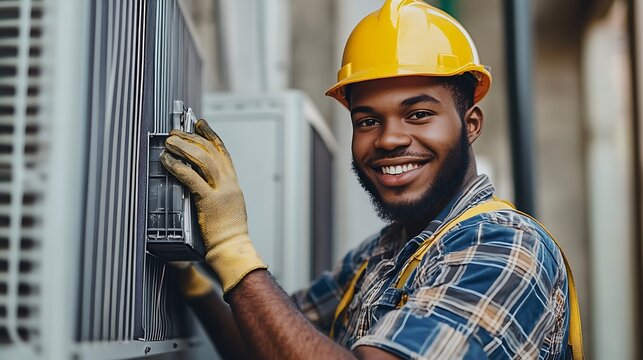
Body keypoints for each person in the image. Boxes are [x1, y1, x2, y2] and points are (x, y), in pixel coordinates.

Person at [160, 0, 583, 359]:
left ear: (470, 124)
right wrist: (193, 278)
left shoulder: (506, 248)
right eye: (367, 120)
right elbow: (268, 343)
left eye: (418, 114)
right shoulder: (379, 255)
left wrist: (234, 244)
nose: (390, 139)